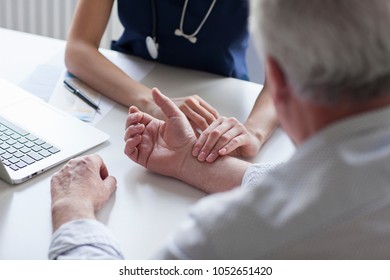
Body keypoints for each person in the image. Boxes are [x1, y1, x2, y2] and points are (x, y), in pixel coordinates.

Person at [50, 0, 390, 259]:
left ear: (279, 78)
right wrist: (190, 165)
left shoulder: (224, 235)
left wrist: (72, 209)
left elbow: (307, 196)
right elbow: (323, 185)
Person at [65, 0, 278, 162]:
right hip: (126, 88)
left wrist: (254, 132)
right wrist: (154, 103)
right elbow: (78, 50)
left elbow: (291, 75)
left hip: (221, 100)